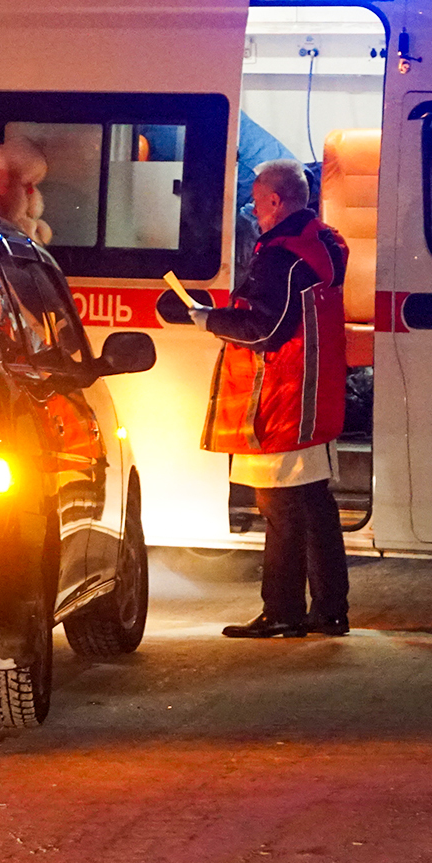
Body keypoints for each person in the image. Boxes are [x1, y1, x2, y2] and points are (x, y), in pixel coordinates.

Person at [172, 159, 352, 638]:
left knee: (281, 510)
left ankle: (283, 612)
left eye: (256, 198)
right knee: (314, 504)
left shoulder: (280, 256)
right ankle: (331, 610)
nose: (252, 206)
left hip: (280, 401)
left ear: (276, 200)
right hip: (312, 397)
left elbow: (266, 329)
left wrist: (208, 319)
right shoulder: (324, 242)